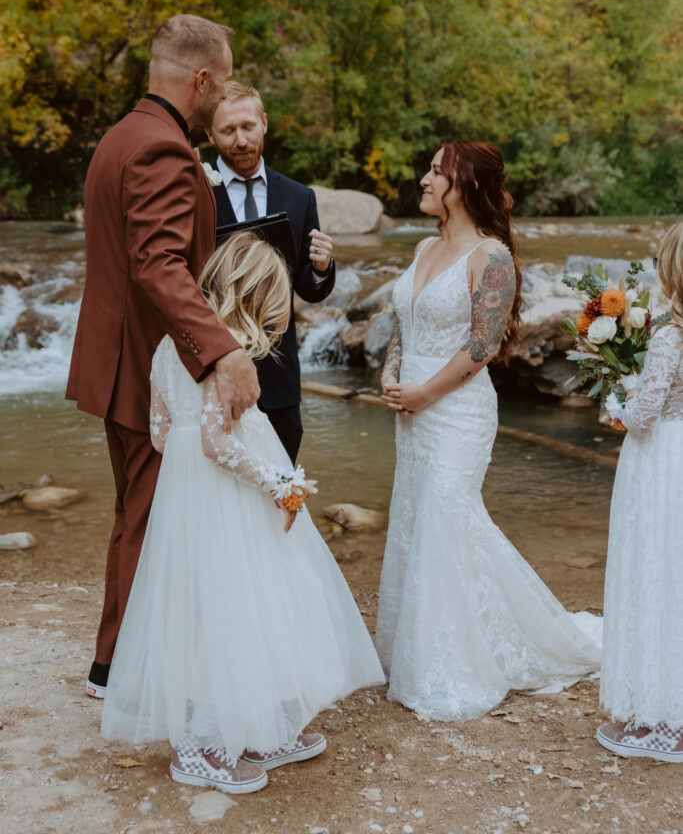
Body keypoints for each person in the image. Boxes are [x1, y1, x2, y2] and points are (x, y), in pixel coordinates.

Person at [100, 232, 385, 793]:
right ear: (256, 299)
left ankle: (255, 724)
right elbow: (216, 443)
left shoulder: (167, 344)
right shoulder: (220, 347)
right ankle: (202, 748)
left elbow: (162, 435)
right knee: (236, 607)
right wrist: (279, 484)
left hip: (190, 497)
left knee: (230, 606)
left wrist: (189, 472)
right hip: (226, 496)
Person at [66, 15, 260, 700]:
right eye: (222, 79)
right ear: (200, 78)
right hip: (147, 370)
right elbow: (157, 266)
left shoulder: (122, 136)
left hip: (116, 358)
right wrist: (221, 351)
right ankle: (131, 673)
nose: (222, 94)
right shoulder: (164, 151)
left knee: (137, 513)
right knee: (151, 516)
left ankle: (111, 664)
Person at [376, 141, 601, 721]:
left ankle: (460, 662)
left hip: (456, 411)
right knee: (418, 518)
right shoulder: (425, 246)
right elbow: (406, 320)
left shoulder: (490, 256)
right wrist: (393, 372)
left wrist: (425, 391)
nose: (424, 180)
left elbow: (484, 345)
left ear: (466, 185)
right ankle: (418, 650)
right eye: (427, 168)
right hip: (413, 411)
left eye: (436, 172)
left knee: (448, 515)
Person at [205, 82, 335, 463]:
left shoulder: (299, 197)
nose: (240, 140)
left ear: (264, 123)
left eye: (248, 127)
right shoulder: (193, 191)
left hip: (278, 378)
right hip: (211, 373)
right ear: (210, 134)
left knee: (279, 492)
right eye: (228, 131)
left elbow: (308, 291)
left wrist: (322, 268)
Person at [597, 221, 683, 763]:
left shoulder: (672, 333)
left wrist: (618, 406)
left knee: (657, 574)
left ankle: (662, 721)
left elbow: (647, 414)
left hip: (662, 466)